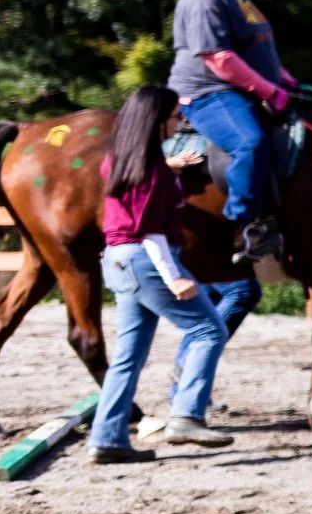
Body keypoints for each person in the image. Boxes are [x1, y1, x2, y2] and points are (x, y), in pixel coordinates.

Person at [87, 86, 233, 463]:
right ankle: (186, 415)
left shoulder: (119, 161)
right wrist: (174, 277)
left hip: (117, 259)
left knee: (128, 355)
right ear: (155, 120)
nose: (177, 124)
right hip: (147, 259)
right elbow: (149, 230)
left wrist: (171, 169)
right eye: (172, 117)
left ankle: (107, 439)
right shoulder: (151, 169)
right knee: (208, 330)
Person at [167, 0, 300, 264]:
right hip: (208, 92)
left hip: (241, 88)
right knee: (248, 142)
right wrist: (270, 92)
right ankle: (244, 225)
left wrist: (283, 78)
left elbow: (254, 45)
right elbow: (219, 58)